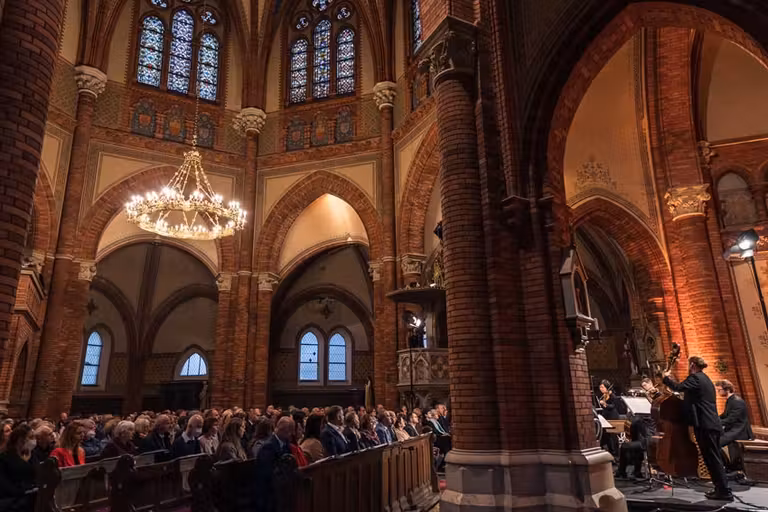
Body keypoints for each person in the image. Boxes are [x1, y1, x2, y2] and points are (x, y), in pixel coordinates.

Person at [664, 356, 732, 501]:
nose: (688, 367)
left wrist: (665, 378)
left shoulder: (695, 378)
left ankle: (724, 491)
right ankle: (720, 488)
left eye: (689, 365)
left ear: (693, 365)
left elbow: (678, 387)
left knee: (712, 458)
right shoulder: (705, 379)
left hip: (705, 424)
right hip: (709, 424)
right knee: (711, 457)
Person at [254, 416, 296, 512]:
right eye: (291, 431)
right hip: (268, 492)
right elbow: (266, 473)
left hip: (281, 489)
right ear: (285, 430)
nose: (292, 434)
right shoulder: (268, 446)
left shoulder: (285, 444)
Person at [716, 379, 754, 470]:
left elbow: (731, 419)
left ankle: (728, 468)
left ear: (727, 390)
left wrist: (715, 423)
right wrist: (713, 419)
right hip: (733, 430)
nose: (718, 392)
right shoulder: (730, 400)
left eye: (719, 390)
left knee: (714, 444)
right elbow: (725, 415)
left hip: (739, 431)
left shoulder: (737, 401)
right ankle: (728, 467)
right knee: (713, 442)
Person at [0, 424, 37, 511]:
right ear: (21, 440)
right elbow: (4, 483)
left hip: (30, 494)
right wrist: (23, 491)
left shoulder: (32, 454)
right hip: (12, 499)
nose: (34, 440)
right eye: (31, 437)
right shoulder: (4, 457)